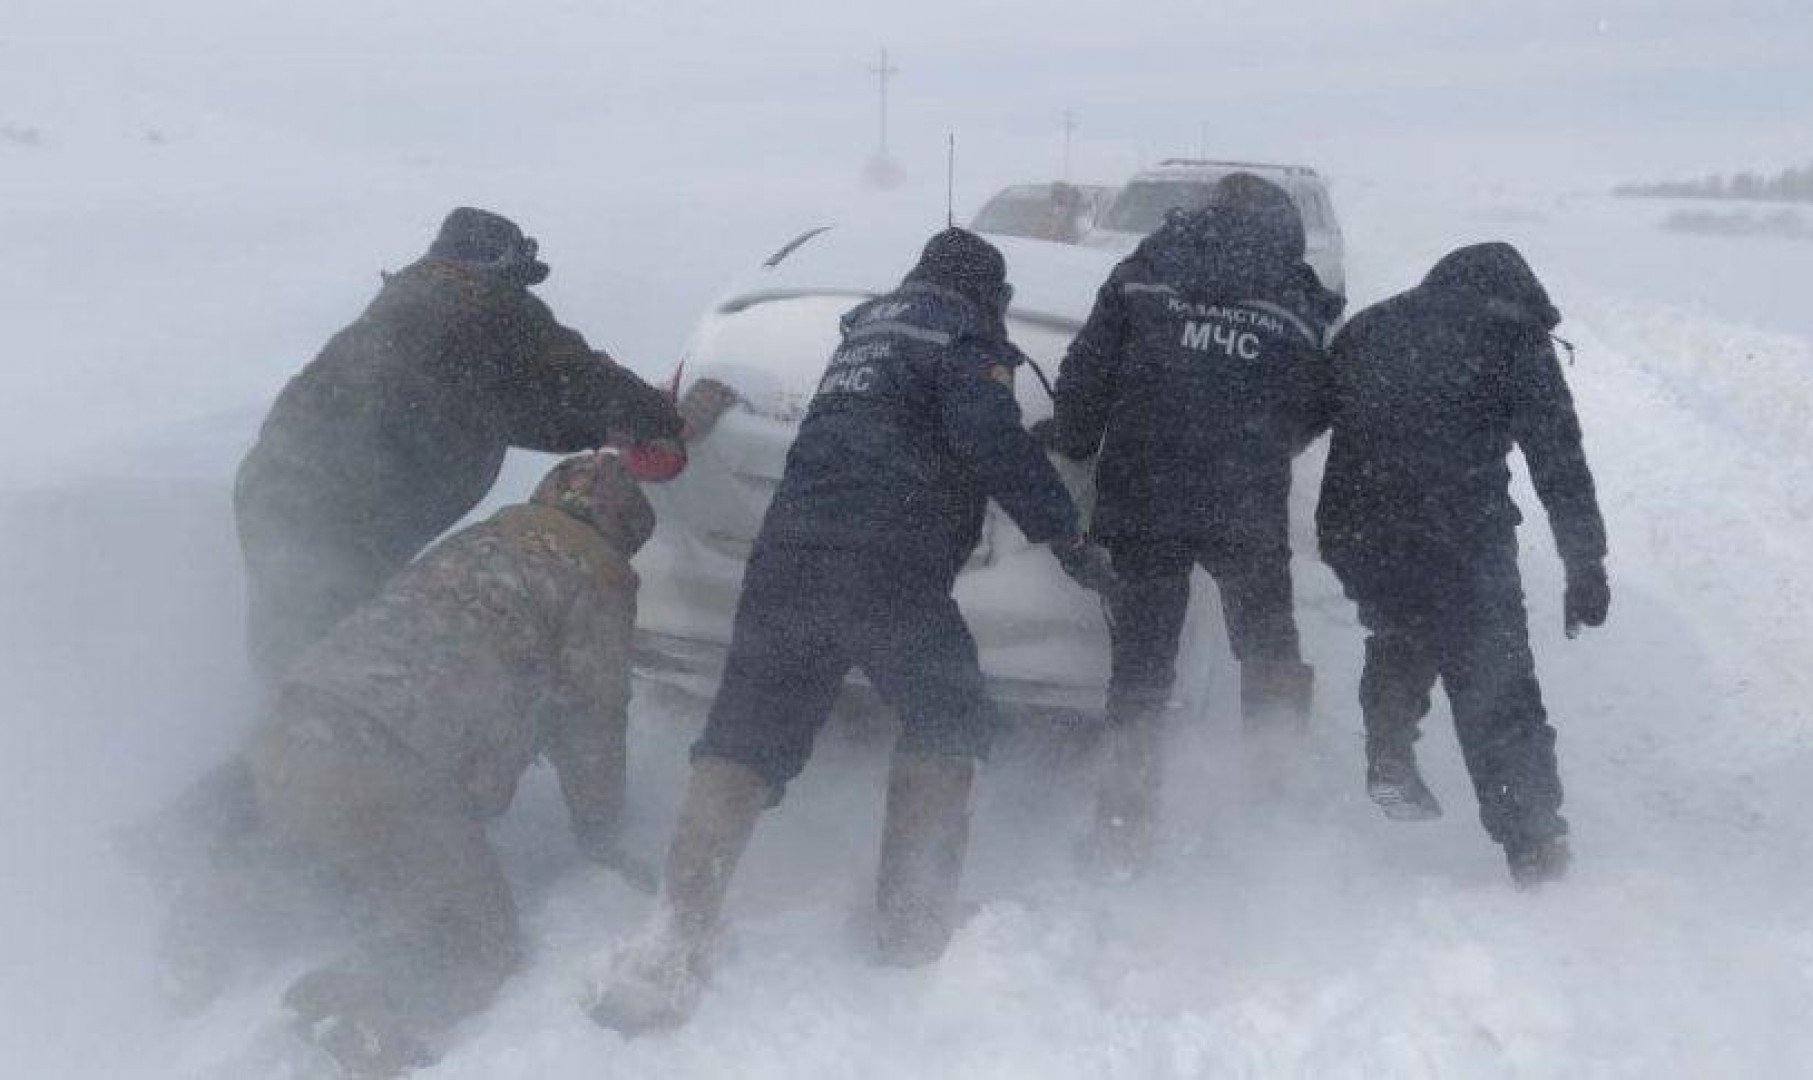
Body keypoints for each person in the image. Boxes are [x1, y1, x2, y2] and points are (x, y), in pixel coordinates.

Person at [590, 229, 1114, 1035]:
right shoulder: (963, 339)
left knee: (742, 739)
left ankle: (671, 938)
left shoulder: (863, 339)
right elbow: (990, 440)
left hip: (786, 559)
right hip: (889, 565)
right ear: (989, 294)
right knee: (948, 717)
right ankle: (910, 925)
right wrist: (1067, 538)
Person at [246, 453, 659, 1074]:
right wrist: (602, 832)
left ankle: (215, 922)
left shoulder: (482, 535)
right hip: (386, 765)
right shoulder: (596, 574)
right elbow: (592, 723)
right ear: (623, 532)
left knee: (338, 858)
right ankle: (367, 1015)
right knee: (477, 941)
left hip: (290, 725)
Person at [1032, 173, 1344, 868]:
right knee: (1267, 647)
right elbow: (1314, 403)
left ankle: (1123, 826)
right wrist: (1262, 441)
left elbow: (1087, 374)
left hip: (1146, 491)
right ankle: (1277, 801)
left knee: (1142, 668)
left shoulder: (1146, 271)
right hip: (1245, 501)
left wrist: (1076, 438)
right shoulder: (1298, 299)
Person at [234, 206, 683, 682]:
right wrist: (657, 417)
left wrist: (604, 432)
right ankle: (309, 745)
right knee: (340, 662)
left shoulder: (421, 316)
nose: (524, 293)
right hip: (337, 507)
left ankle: (269, 738)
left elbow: (508, 413)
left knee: (292, 647)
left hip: (273, 487)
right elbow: (582, 377)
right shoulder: (483, 302)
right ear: (500, 266)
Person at [1311, 242, 1609, 886]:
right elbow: (1558, 460)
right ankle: (1533, 846)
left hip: (1360, 530)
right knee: (1497, 687)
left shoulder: (1372, 325)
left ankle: (1389, 748)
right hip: (1461, 537)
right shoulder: (1515, 343)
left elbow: (1300, 415)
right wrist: (1585, 561)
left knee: (1401, 630)